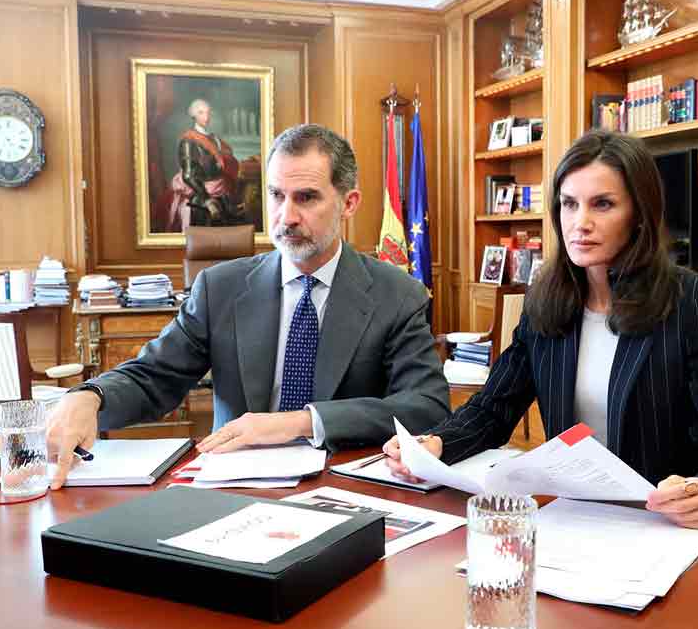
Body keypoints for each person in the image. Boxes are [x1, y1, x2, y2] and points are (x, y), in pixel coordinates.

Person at [384, 130, 698, 530]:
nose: (580, 223)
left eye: (603, 204)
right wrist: (436, 444)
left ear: (639, 214)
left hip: (659, 523)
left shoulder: (691, 301)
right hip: (572, 517)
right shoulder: (546, 299)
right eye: (568, 204)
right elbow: (493, 408)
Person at [48, 123, 450, 489]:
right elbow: (153, 376)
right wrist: (90, 396)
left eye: (306, 198)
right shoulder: (219, 288)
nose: (286, 216)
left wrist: (303, 422)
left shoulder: (396, 294)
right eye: (276, 195)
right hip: (235, 486)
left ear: (349, 203)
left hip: (346, 488)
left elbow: (426, 405)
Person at [163, 98, 246, 231]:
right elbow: (189, 175)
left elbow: (224, 163)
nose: (206, 116)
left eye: (208, 113)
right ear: (194, 115)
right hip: (199, 193)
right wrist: (207, 200)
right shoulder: (188, 140)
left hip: (220, 190)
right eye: (201, 113)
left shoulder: (214, 139)